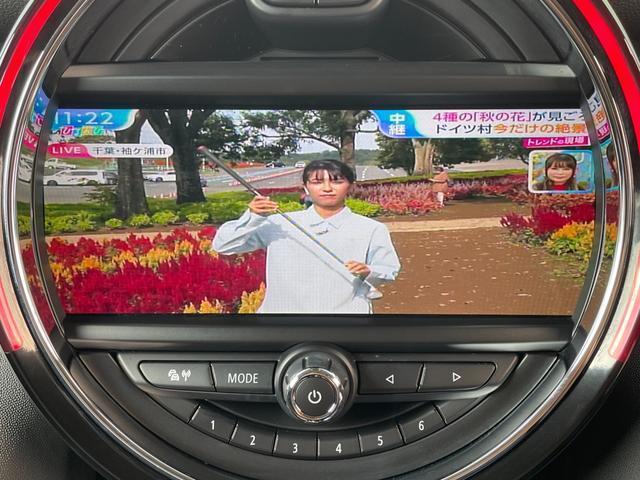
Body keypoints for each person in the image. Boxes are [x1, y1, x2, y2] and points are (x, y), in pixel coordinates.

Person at [213, 159, 401, 314]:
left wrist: (368, 270)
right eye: (317, 182)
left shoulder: (371, 228)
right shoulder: (278, 223)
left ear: (350, 186)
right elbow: (224, 246)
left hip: (346, 319)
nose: (327, 188)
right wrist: (252, 216)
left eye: (336, 181)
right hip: (282, 319)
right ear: (306, 187)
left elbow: (388, 269)